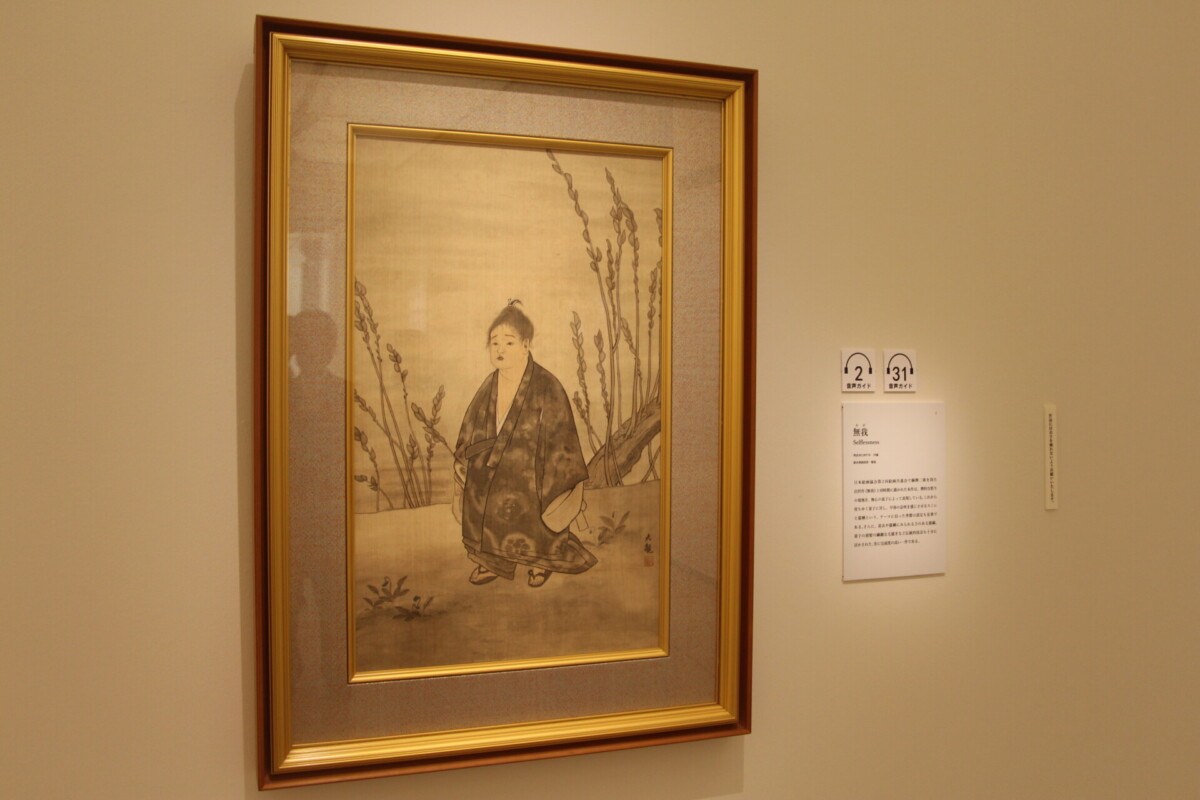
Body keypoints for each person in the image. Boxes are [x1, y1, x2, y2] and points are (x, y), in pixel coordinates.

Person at [452, 301, 595, 587]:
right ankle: (493, 560)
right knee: (483, 479)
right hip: (493, 467)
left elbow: (561, 436)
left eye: (509, 342)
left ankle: (539, 560)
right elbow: (471, 426)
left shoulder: (547, 385)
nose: (500, 349)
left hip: (534, 469)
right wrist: (465, 454)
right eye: (494, 343)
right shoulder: (489, 385)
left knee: (532, 490)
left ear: (526, 345)